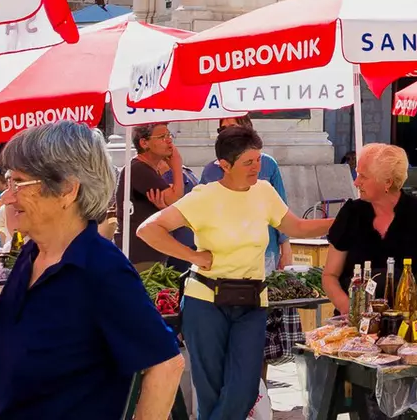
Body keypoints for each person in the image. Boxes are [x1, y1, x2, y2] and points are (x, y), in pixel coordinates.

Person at [0, 121, 183, 420]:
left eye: (19, 183)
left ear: (67, 190)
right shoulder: (30, 256)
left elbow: (167, 364)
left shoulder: (101, 268)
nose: (7, 197)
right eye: (8, 182)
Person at [137, 123, 333, 420]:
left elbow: (296, 227)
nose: (257, 167)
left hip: (253, 302)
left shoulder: (264, 192)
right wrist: (192, 255)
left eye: (258, 159)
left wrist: (342, 222)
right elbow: (148, 229)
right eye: (248, 162)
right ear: (224, 165)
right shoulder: (203, 196)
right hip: (205, 302)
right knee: (211, 391)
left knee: (242, 391)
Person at [322, 143, 417, 316]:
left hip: (411, 315)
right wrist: (350, 309)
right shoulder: (351, 213)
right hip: (356, 320)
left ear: (387, 182)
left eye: (363, 176)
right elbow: (329, 276)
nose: (356, 182)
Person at [199, 116, 291, 268]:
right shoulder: (210, 171)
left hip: (265, 250)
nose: (227, 133)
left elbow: (282, 210)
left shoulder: (268, 165)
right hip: (226, 253)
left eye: (232, 127)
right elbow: (201, 213)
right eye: (222, 129)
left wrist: (286, 247)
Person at [119, 122, 189, 267]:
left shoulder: (148, 169)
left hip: (150, 253)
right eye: (162, 137)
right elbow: (175, 199)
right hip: (141, 256)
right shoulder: (139, 169)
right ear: (144, 143)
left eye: (169, 135)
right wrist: (176, 165)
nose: (169, 140)